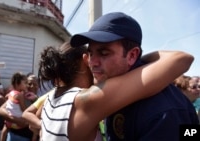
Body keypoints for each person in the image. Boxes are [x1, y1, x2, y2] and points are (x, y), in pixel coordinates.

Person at [70, 12, 199, 141]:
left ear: (132, 56)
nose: (92, 62)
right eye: (91, 54)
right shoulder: (114, 90)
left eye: (104, 53)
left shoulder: (162, 112)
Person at [36, 41, 193, 141]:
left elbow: (36, 122)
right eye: (92, 55)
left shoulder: (52, 97)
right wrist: (136, 60)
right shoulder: (87, 100)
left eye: (104, 53)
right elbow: (181, 59)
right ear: (85, 61)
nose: (95, 62)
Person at [0, 72, 33, 141]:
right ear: (18, 84)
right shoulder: (20, 95)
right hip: (19, 125)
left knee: (5, 130)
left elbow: (8, 102)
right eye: (25, 83)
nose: (27, 85)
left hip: (10, 123)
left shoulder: (11, 93)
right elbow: (24, 110)